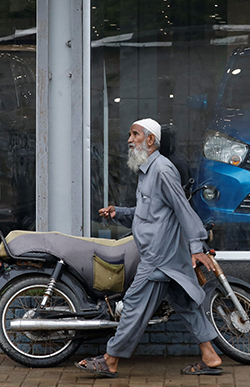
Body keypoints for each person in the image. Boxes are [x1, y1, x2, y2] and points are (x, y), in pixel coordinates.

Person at [76, 118, 223, 378]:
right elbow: (147, 214)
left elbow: (182, 208)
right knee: (186, 303)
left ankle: (110, 360)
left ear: (151, 140)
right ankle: (210, 356)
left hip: (158, 257)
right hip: (165, 255)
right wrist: (117, 213)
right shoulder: (148, 171)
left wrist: (197, 246)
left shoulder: (163, 171)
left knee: (133, 304)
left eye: (135, 134)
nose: (130, 140)